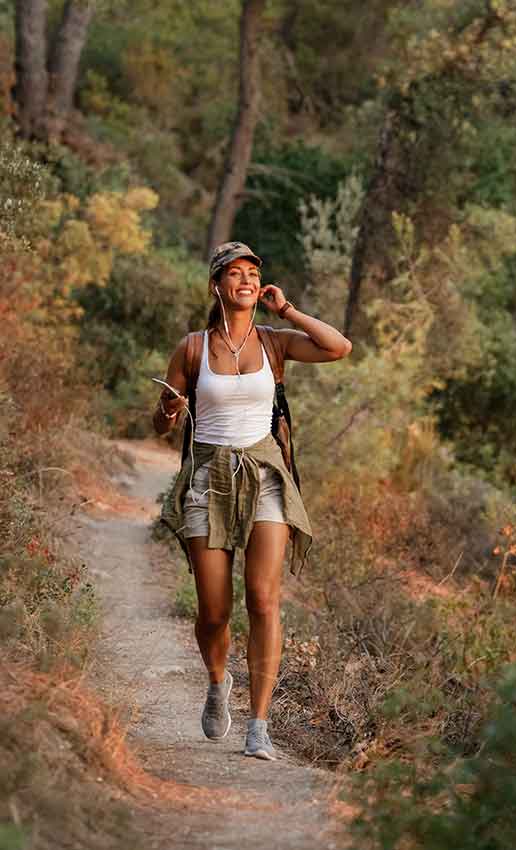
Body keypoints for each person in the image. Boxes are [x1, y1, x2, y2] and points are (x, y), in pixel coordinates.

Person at [155, 241, 352, 760]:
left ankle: (259, 725)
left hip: (265, 473)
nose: (245, 280)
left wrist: (287, 311)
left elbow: (339, 347)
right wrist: (169, 411)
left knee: (264, 600)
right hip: (208, 475)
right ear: (216, 285)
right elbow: (161, 423)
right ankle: (217, 681)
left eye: (252, 273)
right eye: (234, 273)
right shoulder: (192, 348)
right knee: (213, 612)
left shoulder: (274, 341)